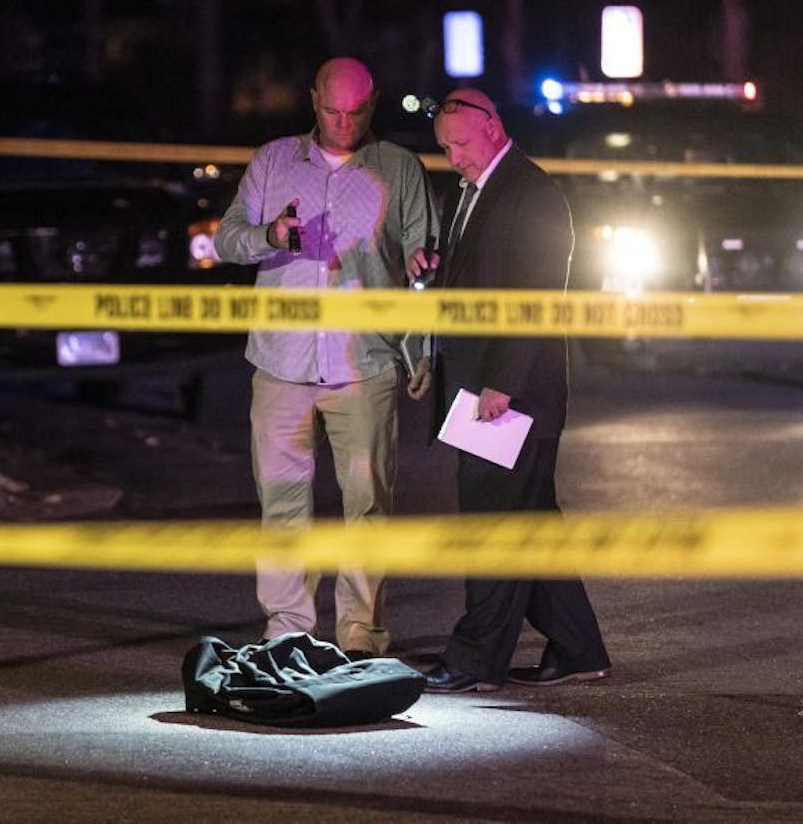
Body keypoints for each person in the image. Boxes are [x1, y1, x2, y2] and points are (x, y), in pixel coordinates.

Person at [214, 56, 436, 660]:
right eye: (333, 111)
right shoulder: (274, 161)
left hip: (364, 364)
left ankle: (361, 630)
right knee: (282, 503)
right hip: (281, 360)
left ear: (375, 104)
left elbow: (425, 264)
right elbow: (224, 239)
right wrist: (269, 237)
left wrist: (422, 349)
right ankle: (287, 624)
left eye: (356, 112)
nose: (343, 123)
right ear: (313, 101)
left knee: (368, 504)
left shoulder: (400, 169)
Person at [405, 87, 610, 692]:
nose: (454, 158)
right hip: (482, 390)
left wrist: (500, 385)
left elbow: (537, 300)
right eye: (445, 149)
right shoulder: (470, 193)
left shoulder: (533, 192)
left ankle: (475, 662)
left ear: (493, 127)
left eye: (461, 144)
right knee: (528, 523)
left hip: (506, 397)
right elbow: (478, 279)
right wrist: (431, 272)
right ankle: (578, 648)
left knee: (493, 523)